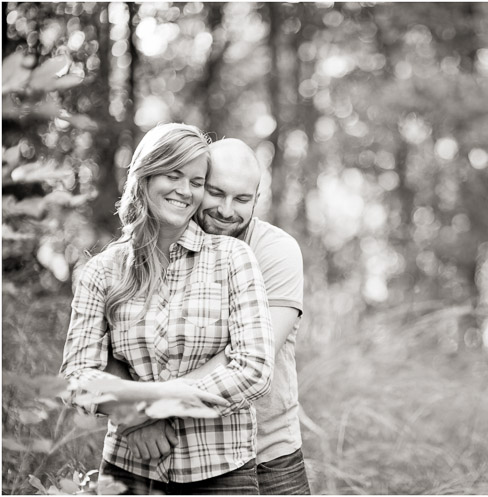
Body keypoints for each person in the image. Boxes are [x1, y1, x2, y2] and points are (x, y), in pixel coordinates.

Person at [60, 123, 275, 494]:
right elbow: (77, 378)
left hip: (221, 470)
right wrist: (140, 411)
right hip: (128, 470)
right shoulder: (101, 270)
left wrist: (149, 407)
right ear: (144, 177)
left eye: (195, 181)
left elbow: (254, 369)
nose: (185, 190)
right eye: (173, 175)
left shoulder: (232, 258)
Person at [109, 138, 310, 494]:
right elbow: (111, 348)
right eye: (216, 193)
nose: (227, 210)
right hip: (155, 453)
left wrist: (147, 407)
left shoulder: (275, 252)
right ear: (196, 184)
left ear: (257, 200)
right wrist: (131, 418)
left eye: (242, 199)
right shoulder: (151, 246)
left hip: (266, 455)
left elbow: (244, 359)